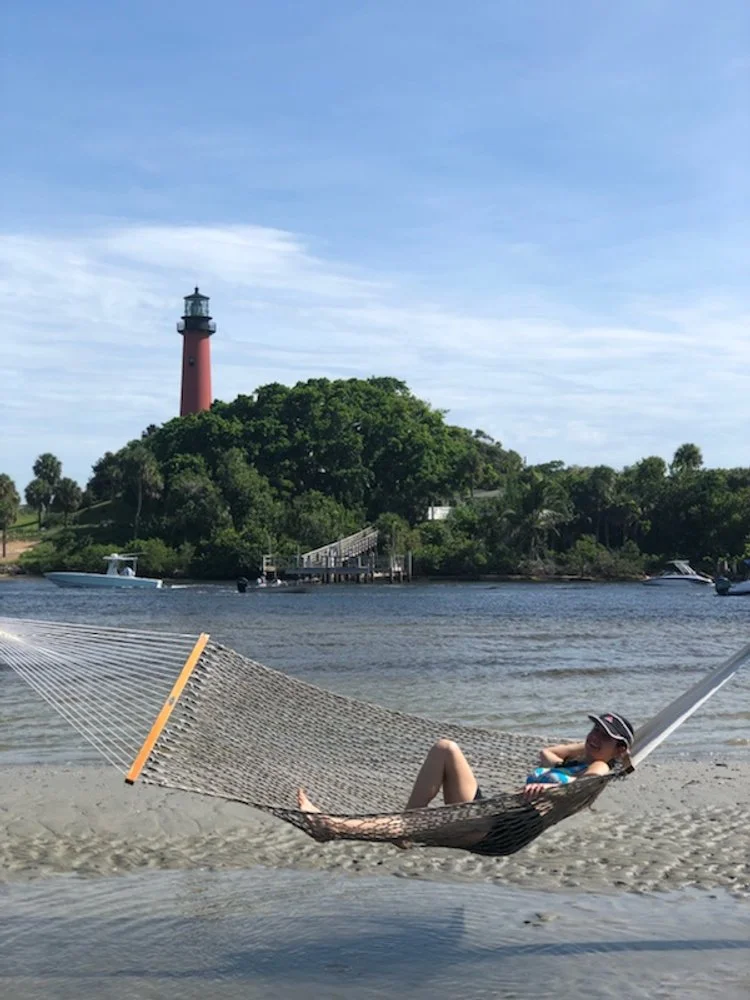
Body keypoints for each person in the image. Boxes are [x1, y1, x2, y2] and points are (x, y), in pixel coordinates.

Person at [296, 711, 634, 845]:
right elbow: (549, 753)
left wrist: (604, 759)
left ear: (618, 750)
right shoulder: (581, 760)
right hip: (496, 812)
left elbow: (586, 784)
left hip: (503, 829)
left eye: (604, 736)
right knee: (445, 748)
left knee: (417, 827)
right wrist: (592, 747)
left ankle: (329, 827)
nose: (594, 736)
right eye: (594, 729)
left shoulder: (598, 770)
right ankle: (400, 827)